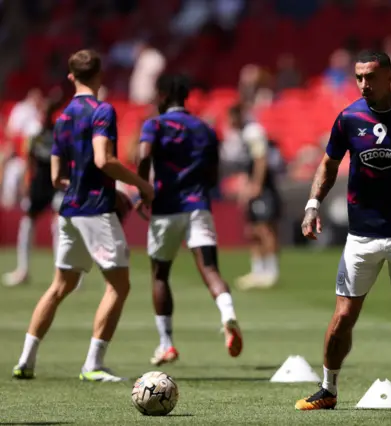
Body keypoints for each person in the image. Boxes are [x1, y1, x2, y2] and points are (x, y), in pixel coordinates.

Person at [295, 50, 391, 411]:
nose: (364, 84)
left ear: (390, 77)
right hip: (361, 235)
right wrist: (313, 204)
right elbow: (328, 164)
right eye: (359, 77)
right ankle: (328, 388)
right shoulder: (348, 118)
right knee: (343, 317)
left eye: (371, 77)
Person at [12, 49, 154, 381]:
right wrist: (141, 185)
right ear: (100, 76)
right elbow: (105, 160)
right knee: (119, 285)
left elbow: (56, 177)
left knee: (60, 285)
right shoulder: (102, 111)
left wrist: (96, 184)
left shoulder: (62, 117)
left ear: (71, 77)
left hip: (68, 209)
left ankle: (26, 360)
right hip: (95, 211)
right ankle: (93, 363)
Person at [137, 74, 242, 366]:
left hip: (165, 207)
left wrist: (144, 190)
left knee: (160, 274)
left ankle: (166, 343)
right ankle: (227, 314)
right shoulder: (205, 128)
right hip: (198, 206)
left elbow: (144, 156)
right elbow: (214, 171)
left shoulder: (154, 125)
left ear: (162, 95)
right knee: (209, 269)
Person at [3, 91, 64, 287]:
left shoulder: (59, 132)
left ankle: (61, 272)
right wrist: (27, 184)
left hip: (56, 183)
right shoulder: (34, 133)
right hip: (39, 183)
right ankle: (23, 270)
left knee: (60, 226)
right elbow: (29, 159)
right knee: (27, 223)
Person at [229, 103, 284, 290]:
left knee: (264, 228)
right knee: (252, 229)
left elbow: (261, 159)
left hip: (264, 188)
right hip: (253, 187)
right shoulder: (241, 135)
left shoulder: (253, 131)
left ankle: (271, 272)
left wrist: (257, 186)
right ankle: (258, 270)